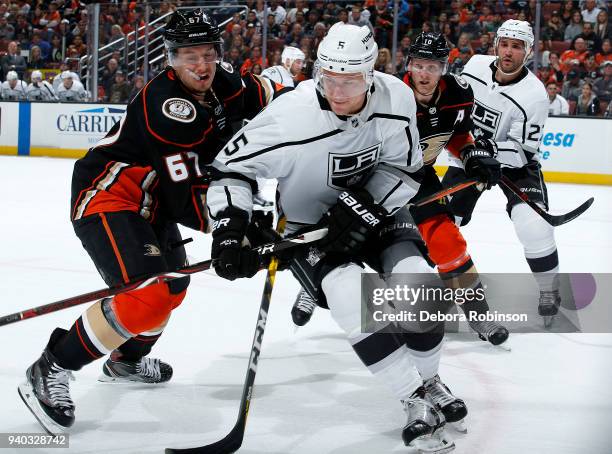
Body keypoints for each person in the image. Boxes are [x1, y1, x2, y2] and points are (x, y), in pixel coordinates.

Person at [18, 8, 286, 435]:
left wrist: (311, 91)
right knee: (148, 296)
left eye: (207, 53)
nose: (200, 65)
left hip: (153, 203)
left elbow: (263, 93)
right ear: (170, 58)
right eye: (188, 56)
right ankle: (52, 367)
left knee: (174, 285)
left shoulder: (220, 80)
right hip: (110, 197)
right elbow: (186, 197)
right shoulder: (167, 108)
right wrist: (237, 231)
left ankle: (125, 361)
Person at [206, 22, 460, 452]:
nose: (339, 92)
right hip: (309, 230)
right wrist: (231, 228)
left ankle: (431, 380)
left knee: (420, 284)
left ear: (372, 73)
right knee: (348, 296)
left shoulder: (396, 97)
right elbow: (229, 171)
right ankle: (412, 398)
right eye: (330, 78)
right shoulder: (290, 113)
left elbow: (407, 168)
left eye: (352, 80)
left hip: (377, 212)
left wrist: (365, 204)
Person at [292, 31, 509, 347]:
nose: (425, 74)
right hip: (372, 179)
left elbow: (461, 135)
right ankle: (314, 283)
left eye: (432, 67)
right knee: (346, 240)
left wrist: (473, 154)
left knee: (447, 241)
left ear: (444, 68)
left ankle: (479, 313)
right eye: (419, 65)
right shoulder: (387, 94)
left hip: (420, 179)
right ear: (409, 64)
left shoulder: (460, 94)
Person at [441, 20, 563, 325]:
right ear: (496, 44)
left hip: (514, 165)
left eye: (517, 46)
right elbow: (453, 99)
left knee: (534, 226)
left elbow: (525, 151)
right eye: (505, 44)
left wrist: (491, 150)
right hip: (469, 158)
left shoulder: (535, 95)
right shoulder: (475, 65)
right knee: (441, 225)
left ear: (529, 52)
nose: (508, 52)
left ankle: (549, 289)